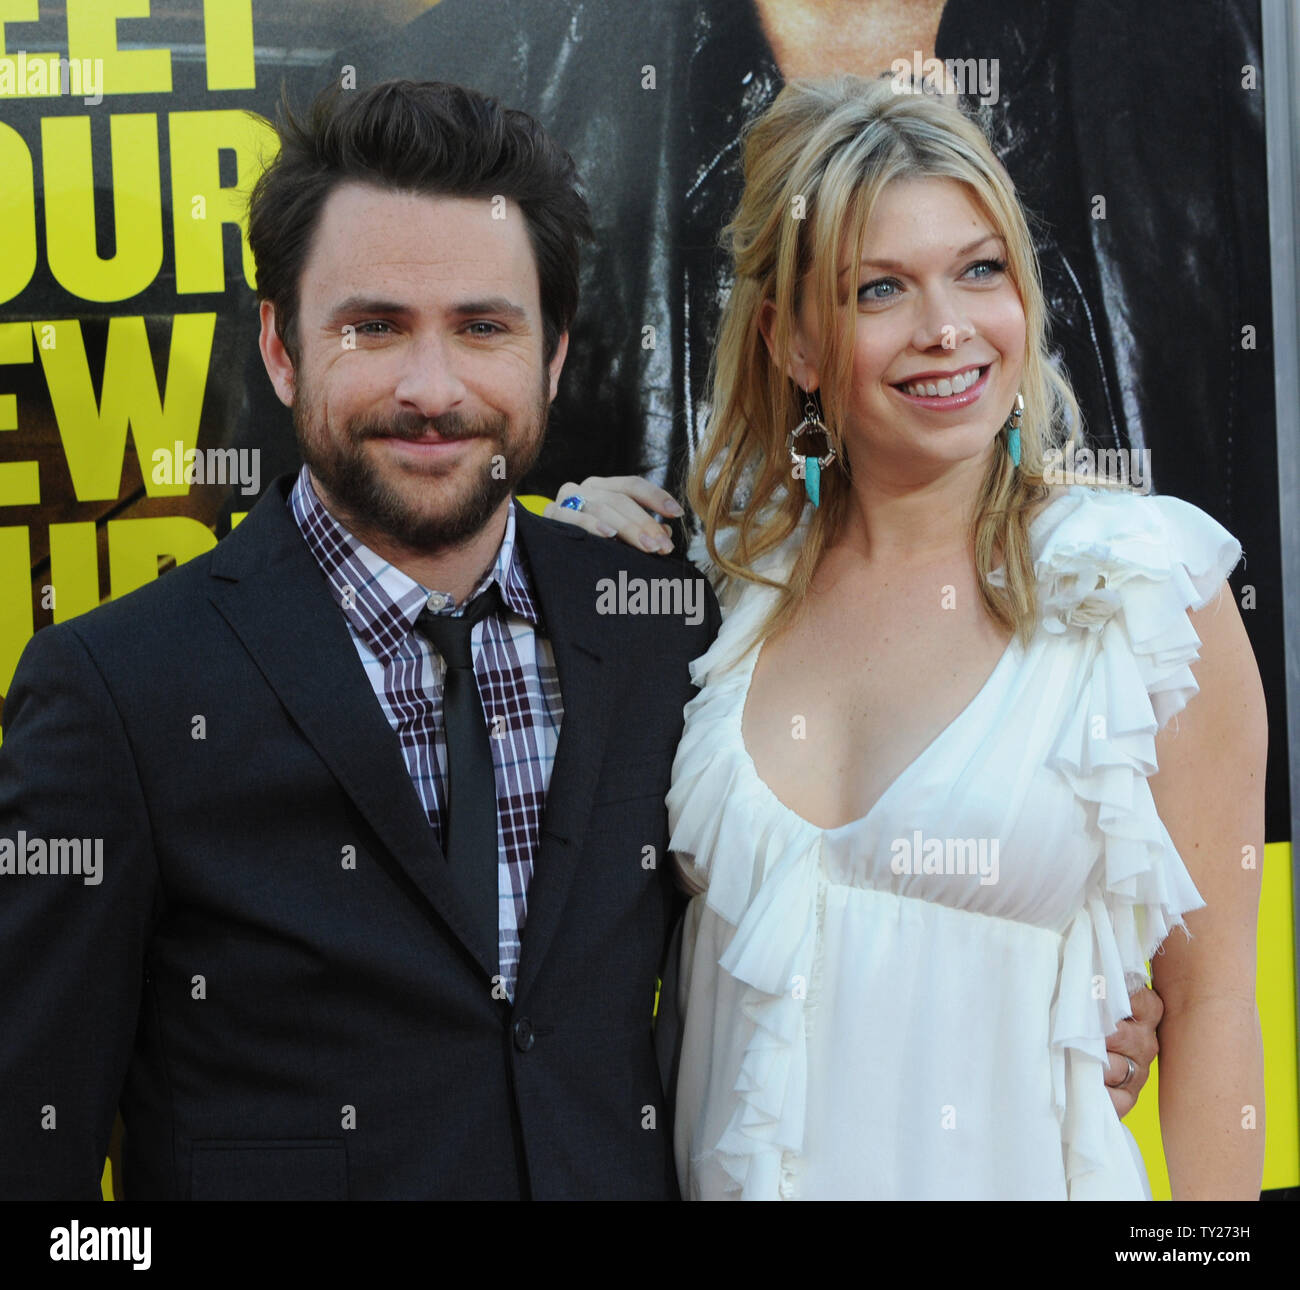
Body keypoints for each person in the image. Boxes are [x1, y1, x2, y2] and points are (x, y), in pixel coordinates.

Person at [547, 76, 1266, 1199]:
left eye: (979, 269)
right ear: (793, 343)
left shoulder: (1140, 590)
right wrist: (559, 552)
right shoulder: (719, 582)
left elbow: (1215, 1002)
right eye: (878, 286)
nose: (946, 328)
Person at [0, 79, 720, 1200]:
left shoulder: (660, 633)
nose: (430, 390)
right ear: (283, 352)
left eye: (483, 327)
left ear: (553, 356)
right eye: (373, 326)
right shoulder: (117, 695)